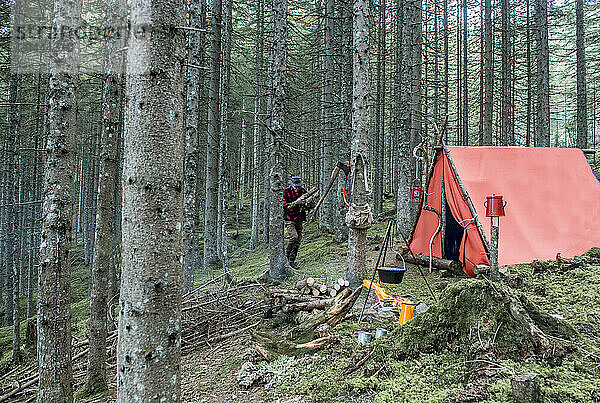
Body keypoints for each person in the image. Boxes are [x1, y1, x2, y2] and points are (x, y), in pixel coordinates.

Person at [283, 175, 310, 269]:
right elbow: (285, 205)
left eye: (298, 186)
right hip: (289, 218)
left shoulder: (303, 191)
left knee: (298, 241)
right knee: (294, 237)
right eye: (296, 186)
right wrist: (295, 203)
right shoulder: (286, 192)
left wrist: (306, 204)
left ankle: (292, 260)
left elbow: (309, 204)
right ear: (292, 185)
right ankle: (285, 257)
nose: (297, 188)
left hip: (299, 218)